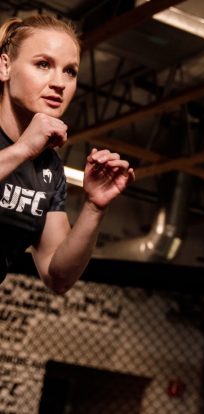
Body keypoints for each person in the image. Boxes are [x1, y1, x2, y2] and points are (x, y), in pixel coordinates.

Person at [0, 15, 135, 294]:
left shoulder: (48, 169)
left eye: (70, 71)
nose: (59, 83)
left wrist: (94, 207)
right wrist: (22, 149)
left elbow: (58, 277)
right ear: (5, 66)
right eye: (43, 64)